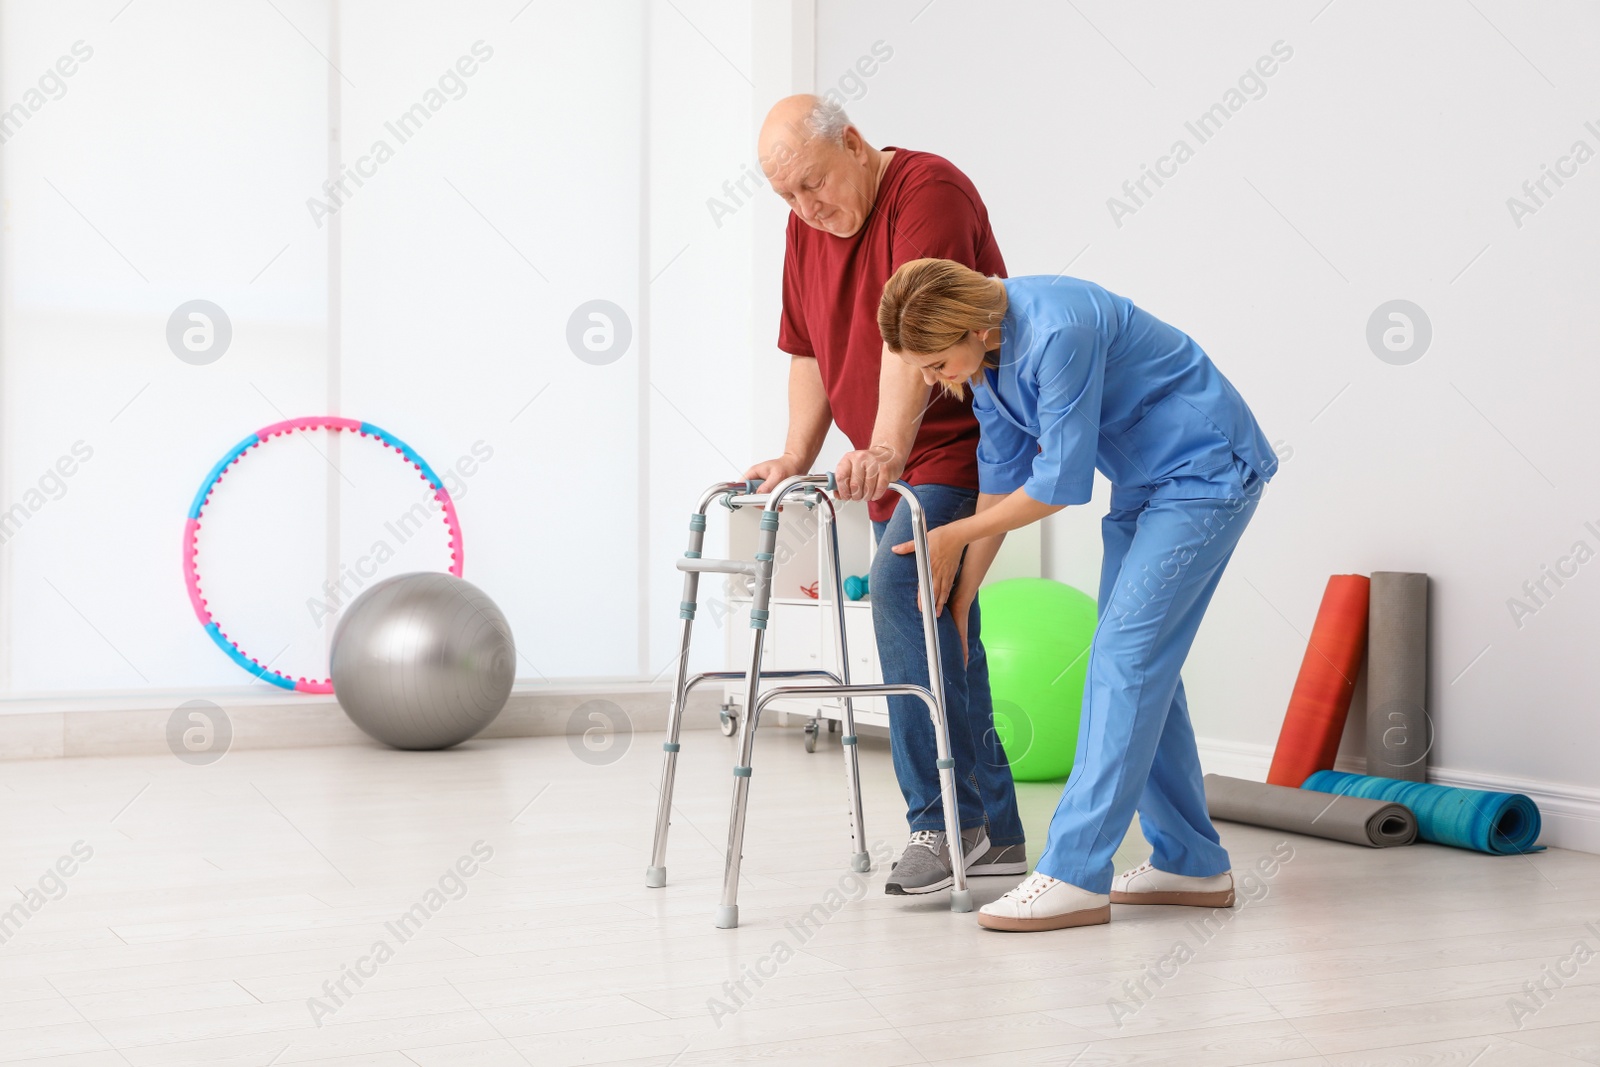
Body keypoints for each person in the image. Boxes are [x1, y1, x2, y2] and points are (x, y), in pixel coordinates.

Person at [875, 258, 1278, 931]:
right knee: (1139, 666)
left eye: (936, 362)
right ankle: (1190, 860)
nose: (929, 378)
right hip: (1146, 485)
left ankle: (1073, 871)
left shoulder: (1059, 328)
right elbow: (1002, 476)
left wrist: (955, 538)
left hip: (1206, 471)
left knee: (1126, 658)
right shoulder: (986, 365)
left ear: (975, 327)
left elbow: (1060, 483)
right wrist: (964, 590)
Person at [745, 96, 1025, 896]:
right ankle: (998, 834)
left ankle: (944, 822)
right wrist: (796, 454)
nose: (807, 207)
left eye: (814, 184)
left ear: (856, 144)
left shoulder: (926, 192)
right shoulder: (807, 223)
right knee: (943, 625)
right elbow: (806, 346)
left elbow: (910, 335)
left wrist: (885, 447)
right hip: (891, 462)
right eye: (788, 196)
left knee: (903, 592)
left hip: (958, 442)